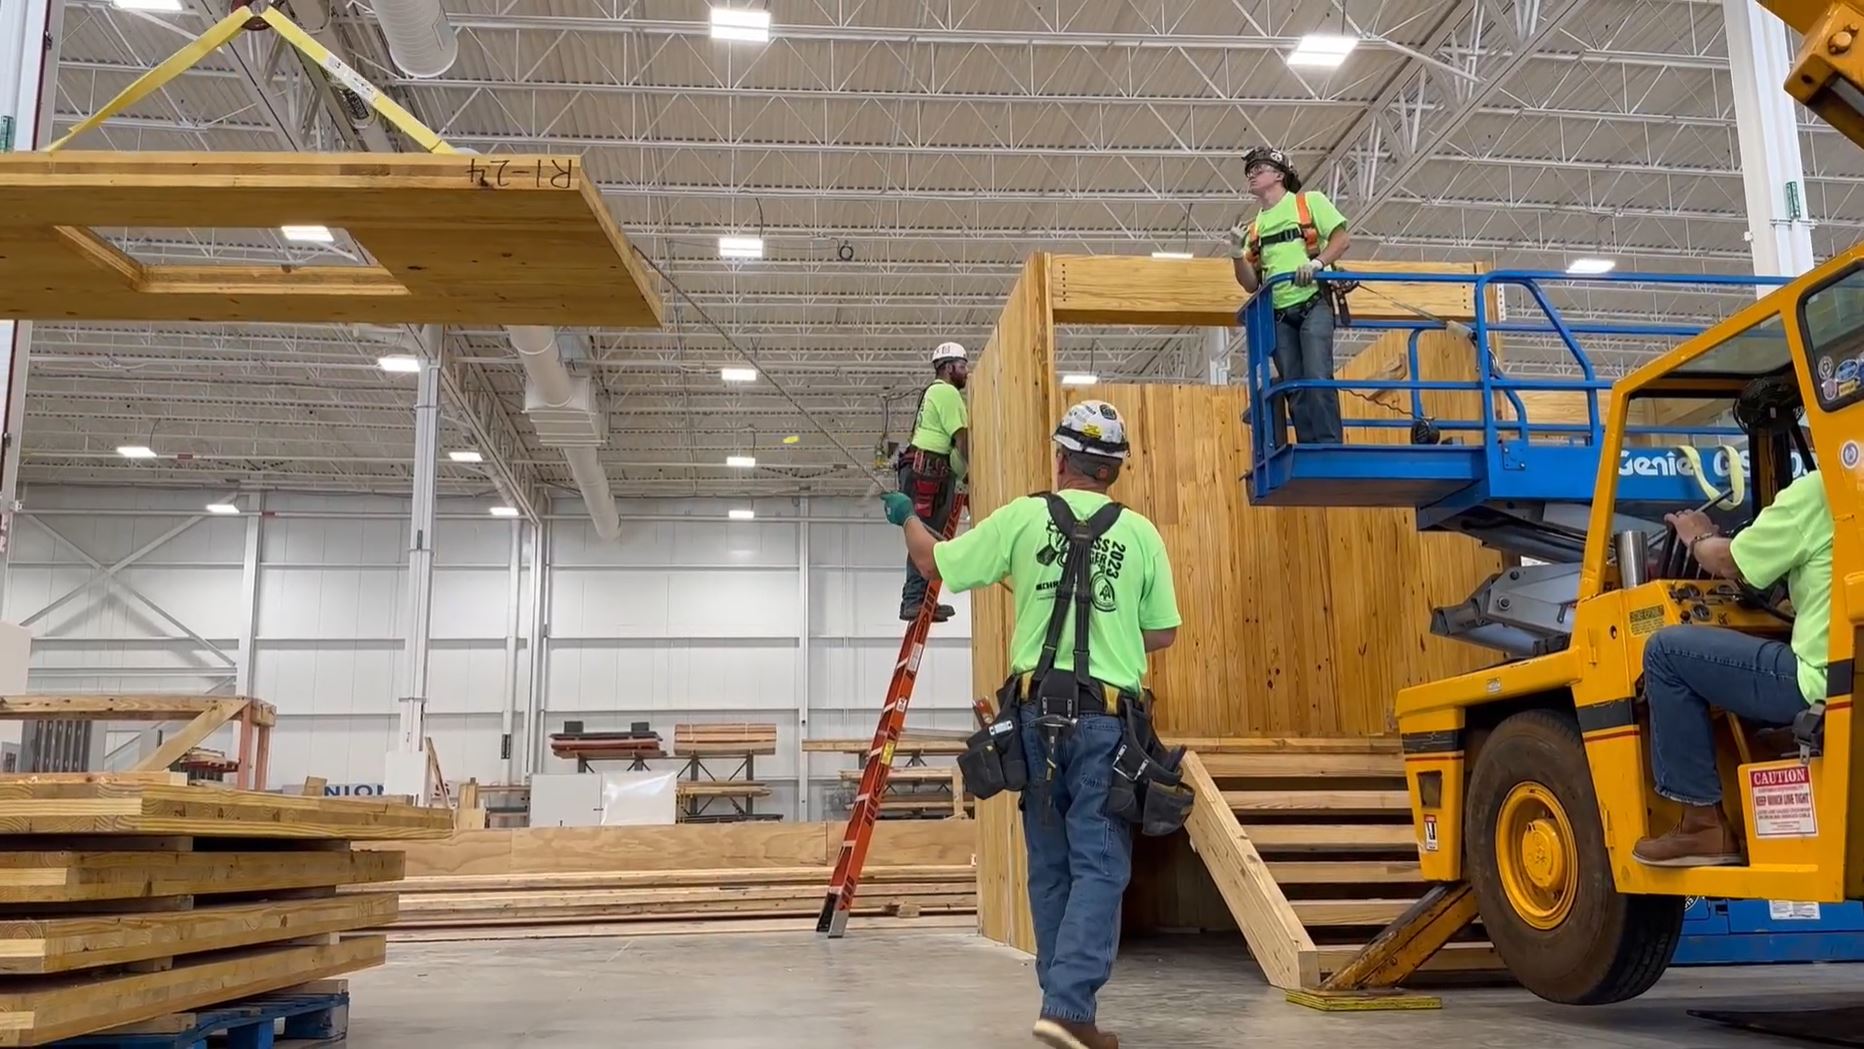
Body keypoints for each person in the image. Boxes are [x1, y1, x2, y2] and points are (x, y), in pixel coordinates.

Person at [882, 400, 1181, 1049]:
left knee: (1051, 865)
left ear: (1060, 460)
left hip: (1031, 721)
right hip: (1105, 721)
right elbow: (1163, 632)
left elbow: (935, 563)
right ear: (1115, 470)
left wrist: (908, 517)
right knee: (1100, 865)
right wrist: (1112, 626)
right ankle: (1069, 1009)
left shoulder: (1021, 519)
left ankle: (1060, 1003)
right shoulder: (1141, 534)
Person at [1633, 467, 1832, 866]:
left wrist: (1698, 535)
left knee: (1666, 651)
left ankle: (1702, 824)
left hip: (1819, 682)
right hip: (1851, 675)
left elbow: (1729, 562)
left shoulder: (1822, 491)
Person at [1225, 145, 1353, 446]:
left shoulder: (1308, 203)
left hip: (1312, 303)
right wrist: (1235, 254)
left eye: (1258, 170)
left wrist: (1317, 263)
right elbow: (1250, 283)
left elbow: (1341, 239)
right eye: (1249, 172)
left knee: (1318, 378)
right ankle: (1310, 447)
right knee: (1295, 385)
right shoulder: (1256, 228)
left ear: (1280, 174)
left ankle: (1329, 446)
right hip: (1278, 314)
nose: (1251, 176)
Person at [897, 341, 971, 622]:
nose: (965, 373)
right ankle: (914, 600)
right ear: (949, 367)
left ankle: (921, 600)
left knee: (925, 536)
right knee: (925, 538)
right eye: (962, 367)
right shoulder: (947, 393)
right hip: (927, 473)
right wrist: (972, 476)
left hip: (924, 471)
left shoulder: (934, 394)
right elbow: (962, 438)